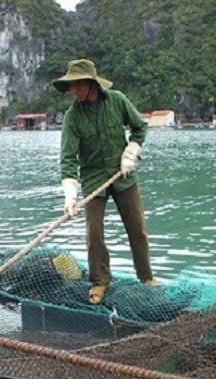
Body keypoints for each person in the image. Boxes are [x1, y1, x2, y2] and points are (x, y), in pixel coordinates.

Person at [53, 58, 157, 305]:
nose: (73, 90)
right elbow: (68, 159)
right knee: (94, 234)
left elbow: (140, 128)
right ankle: (100, 281)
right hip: (92, 179)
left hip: (123, 175)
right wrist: (70, 196)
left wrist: (130, 153)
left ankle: (146, 277)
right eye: (71, 86)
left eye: (78, 85)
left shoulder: (117, 100)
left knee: (137, 228)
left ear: (91, 84)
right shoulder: (72, 117)